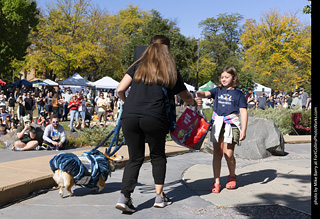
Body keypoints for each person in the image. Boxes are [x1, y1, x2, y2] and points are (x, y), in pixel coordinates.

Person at [115, 35, 202, 213]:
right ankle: (159, 197)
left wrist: (127, 103)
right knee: (157, 156)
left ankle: (124, 197)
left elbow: (120, 89)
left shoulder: (137, 65)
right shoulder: (170, 70)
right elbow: (186, 97)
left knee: (135, 158)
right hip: (154, 116)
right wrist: (194, 103)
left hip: (130, 116)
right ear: (167, 50)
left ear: (149, 47)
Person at [197, 66, 248, 194]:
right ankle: (217, 181)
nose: (224, 79)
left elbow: (243, 111)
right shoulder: (217, 90)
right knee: (217, 153)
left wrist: (243, 129)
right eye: (222, 77)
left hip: (231, 124)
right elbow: (206, 94)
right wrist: (199, 94)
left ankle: (232, 175)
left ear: (233, 78)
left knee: (228, 153)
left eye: (227, 77)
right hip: (217, 123)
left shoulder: (239, 94)